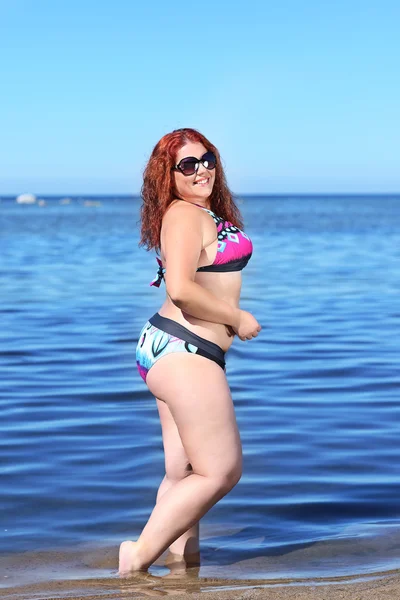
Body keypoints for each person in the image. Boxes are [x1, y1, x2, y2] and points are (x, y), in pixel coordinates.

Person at [119, 127, 261, 574]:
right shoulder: (183, 215)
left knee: (184, 474)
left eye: (207, 159)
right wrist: (236, 318)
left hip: (171, 348)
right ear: (168, 175)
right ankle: (137, 556)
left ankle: (183, 570)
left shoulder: (197, 213)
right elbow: (180, 289)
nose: (202, 170)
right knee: (221, 470)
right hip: (184, 349)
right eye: (188, 164)